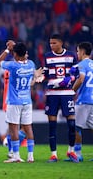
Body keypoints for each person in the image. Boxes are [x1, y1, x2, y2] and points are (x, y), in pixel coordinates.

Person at [0, 41, 42, 163]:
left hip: (14, 101)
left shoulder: (12, 65)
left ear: (15, 54)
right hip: (27, 101)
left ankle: (16, 155)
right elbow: (34, 75)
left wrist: (7, 50)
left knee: (14, 129)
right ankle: (30, 156)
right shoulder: (31, 64)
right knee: (28, 128)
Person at [44, 34, 79, 163]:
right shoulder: (48, 56)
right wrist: (40, 77)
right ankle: (54, 155)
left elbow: (76, 73)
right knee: (52, 125)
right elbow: (46, 73)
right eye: (50, 43)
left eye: (54, 43)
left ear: (60, 43)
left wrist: (69, 79)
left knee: (71, 124)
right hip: (52, 94)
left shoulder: (71, 55)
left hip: (67, 93)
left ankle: (71, 151)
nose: (51, 45)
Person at [71, 42, 93, 162]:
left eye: (78, 51)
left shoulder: (82, 65)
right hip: (92, 100)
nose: (77, 54)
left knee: (76, 127)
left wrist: (72, 90)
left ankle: (78, 154)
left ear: (83, 52)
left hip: (84, 100)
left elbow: (81, 79)